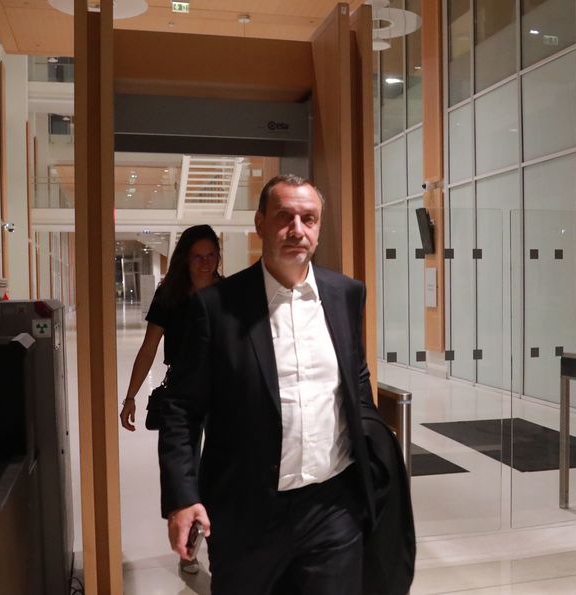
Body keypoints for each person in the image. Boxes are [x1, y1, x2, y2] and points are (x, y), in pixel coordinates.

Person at [158, 174, 413, 595]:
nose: (297, 229)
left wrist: (373, 447)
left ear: (319, 228)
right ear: (260, 223)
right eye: (284, 217)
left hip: (333, 507)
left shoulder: (345, 294)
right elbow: (181, 409)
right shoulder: (216, 307)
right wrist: (182, 497)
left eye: (309, 219)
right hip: (246, 513)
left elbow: (355, 377)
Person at [120, 224, 222, 575]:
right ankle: (187, 549)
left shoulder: (228, 293)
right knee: (182, 474)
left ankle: (219, 546)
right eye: (197, 257)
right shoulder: (170, 295)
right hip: (181, 392)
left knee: (220, 472)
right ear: (185, 259)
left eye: (211, 255)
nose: (205, 263)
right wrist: (130, 397)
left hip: (222, 392)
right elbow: (149, 347)